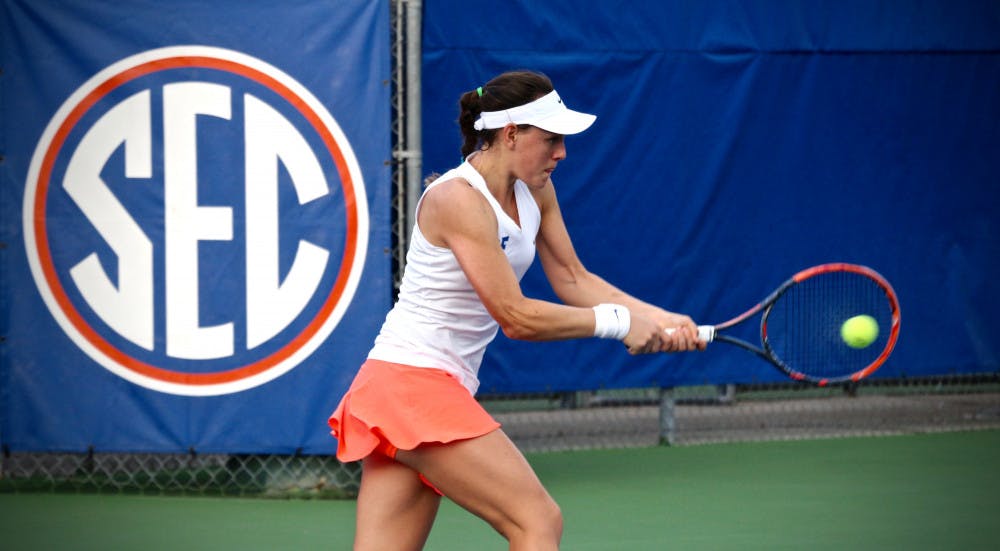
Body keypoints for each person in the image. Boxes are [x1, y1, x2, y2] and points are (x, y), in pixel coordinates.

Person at [329, 70, 704, 551]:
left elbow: (573, 278)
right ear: (510, 134)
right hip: (410, 385)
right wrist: (620, 323)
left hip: (415, 388)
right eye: (551, 140)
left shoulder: (535, 191)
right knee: (537, 521)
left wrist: (661, 318)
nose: (562, 153)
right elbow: (515, 316)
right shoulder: (456, 199)